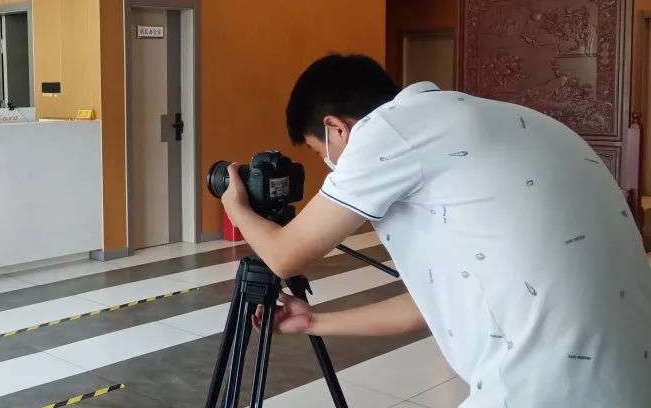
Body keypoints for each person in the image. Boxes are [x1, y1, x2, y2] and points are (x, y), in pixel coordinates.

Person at [221, 54, 651, 407]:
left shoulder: (387, 130)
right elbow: (431, 305)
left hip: (543, 385)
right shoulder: (506, 118)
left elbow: (285, 255)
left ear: (337, 128)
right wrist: (314, 320)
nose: (332, 166)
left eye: (322, 153)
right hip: (628, 375)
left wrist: (235, 204)